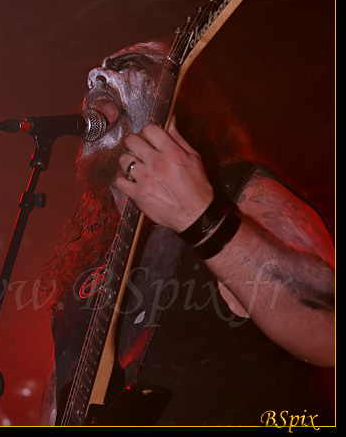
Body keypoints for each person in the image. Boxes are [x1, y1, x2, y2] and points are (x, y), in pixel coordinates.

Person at [38, 40, 335, 427]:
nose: (96, 75)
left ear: (177, 99)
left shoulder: (237, 195)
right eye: (97, 70)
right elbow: (55, 411)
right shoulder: (86, 276)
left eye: (129, 64)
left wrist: (202, 217)